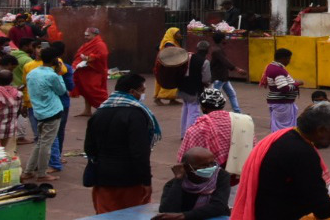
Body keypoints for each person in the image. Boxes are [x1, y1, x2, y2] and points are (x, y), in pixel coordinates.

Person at [230, 102, 330, 220]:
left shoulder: (285, 136)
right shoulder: (303, 153)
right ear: (321, 130)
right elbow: (323, 209)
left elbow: (308, 192)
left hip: (267, 208)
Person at [84, 72, 160, 213]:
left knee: (106, 215)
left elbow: (89, 148)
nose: (142, 95)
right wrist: (146, 180)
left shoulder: (99, 113)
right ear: (132, 92)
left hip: (103, 177)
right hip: (130, 179)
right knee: (133, 214)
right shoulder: (137, 115)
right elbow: (139, 153)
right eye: (142, 91)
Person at [179, 88, 254, 177]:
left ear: (202, 107)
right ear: (223, 104)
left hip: (208, 180)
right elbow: (253, 147)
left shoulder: (197, 129)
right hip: (239, 177)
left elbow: (185, 159)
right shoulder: (243, 121)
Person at [24, 47, 67, 182]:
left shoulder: (32, 73)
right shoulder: (52, 75)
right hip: (52, 111)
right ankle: (42, 173)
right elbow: (61, 91)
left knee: (40, 142)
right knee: (46, 144)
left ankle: (29, 171)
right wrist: (59, 73)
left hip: (38, 111)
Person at [154, 146, 231, 220]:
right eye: (204, 166)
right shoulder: (173, 184)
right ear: (187, 167)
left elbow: (218, 206)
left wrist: (184, 216)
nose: (211, 168)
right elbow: (167, 211)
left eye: (213, 163)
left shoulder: (221, 176)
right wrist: (178, 180)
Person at [71, 27, 110, 117]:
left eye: (88, 34)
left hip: (95, 71)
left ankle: (106, 108)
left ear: (95, 35)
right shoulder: (89, 43)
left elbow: (103, 55)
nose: (86, 36)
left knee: (94, 90)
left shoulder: (100, 44)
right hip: (85, 70)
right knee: (85, 90)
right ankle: (87, 110)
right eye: (85, 34)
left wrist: (89, 58)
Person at [262, 48, 301, 131]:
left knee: (279, 126)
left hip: (280, 102)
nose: (289, 61)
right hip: (282, 103)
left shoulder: (272, 67)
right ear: (284, 58)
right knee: (283, 129)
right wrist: (297, 83)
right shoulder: (277, 70)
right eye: (289, 59)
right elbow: (284, 88)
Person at [178, 41, 212, 136]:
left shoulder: (188, 57)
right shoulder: (205, 62)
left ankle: (183, 133)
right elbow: (206, 79)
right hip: (195, 90)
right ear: (207, 51)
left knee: (185, 110)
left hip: (184, 87)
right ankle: (190, 134)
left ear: (197, 49)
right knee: (194, 112)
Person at [208, 31, 243, 114]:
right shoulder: (217, 50)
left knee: (232, 94)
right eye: (224, 38)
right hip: (219, 77)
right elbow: (225, 62)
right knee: (215, 96)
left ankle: (237, 112)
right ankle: (211, 113)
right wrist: (237, 69)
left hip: (223, 77)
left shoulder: (218, 49)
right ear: (222, 39)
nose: (225, 39)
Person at [154, 27, 183, 106]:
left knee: (173, 81)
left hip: (171, 65)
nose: (180, 35)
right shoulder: (169, 43)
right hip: (167, 67)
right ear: (173, 34)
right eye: (178, 33)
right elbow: (170, 53)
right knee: (167, 82)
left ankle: (172, 99)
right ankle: (158, 98)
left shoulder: (173, 42)